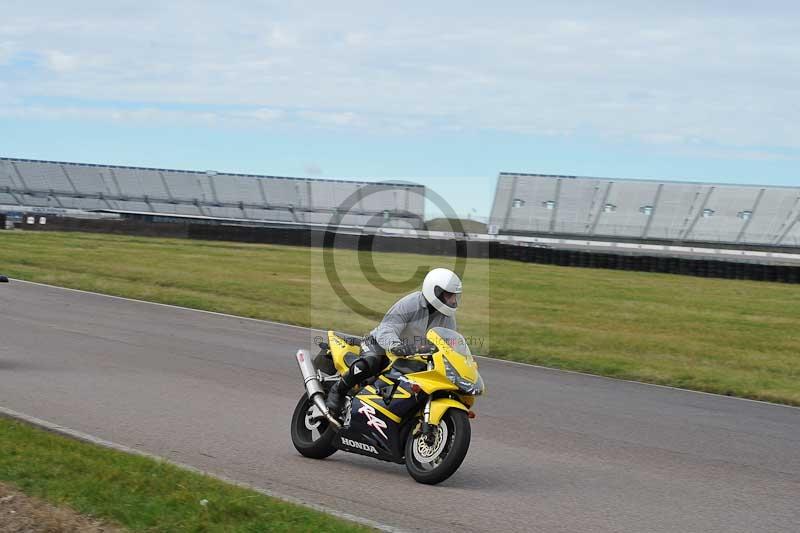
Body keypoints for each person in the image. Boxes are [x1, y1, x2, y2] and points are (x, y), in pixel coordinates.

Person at [325, 267, 462, 416]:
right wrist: (396, 346)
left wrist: (460, 359)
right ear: (435, 292)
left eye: (455, 296)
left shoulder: (448, 318)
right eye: (449, 296)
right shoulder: (411, 304)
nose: (453, 301)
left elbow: (450, 344)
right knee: (372, 362)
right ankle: (337, 390)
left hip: (413, 357)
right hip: (379, 343)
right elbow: (387, 328)